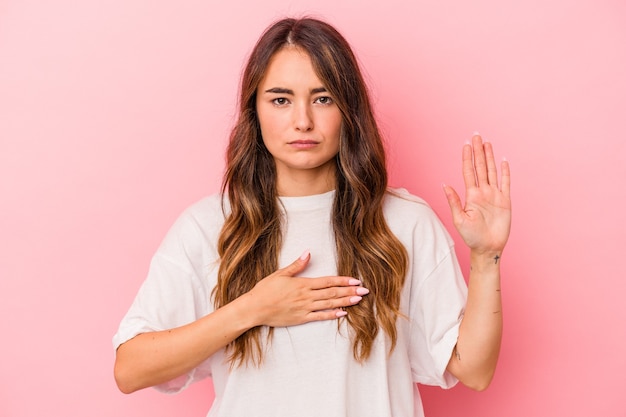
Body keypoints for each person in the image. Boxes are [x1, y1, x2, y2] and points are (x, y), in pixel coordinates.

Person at [113, 17, 511, 417]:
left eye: (323, 99)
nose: (302, 120)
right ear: (255, 110)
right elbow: (130, 369)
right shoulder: (208, 227)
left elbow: (474, 370)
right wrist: (252, 309)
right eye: (280, 100)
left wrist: (486, 257)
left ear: (348, 109)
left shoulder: (404, 222)